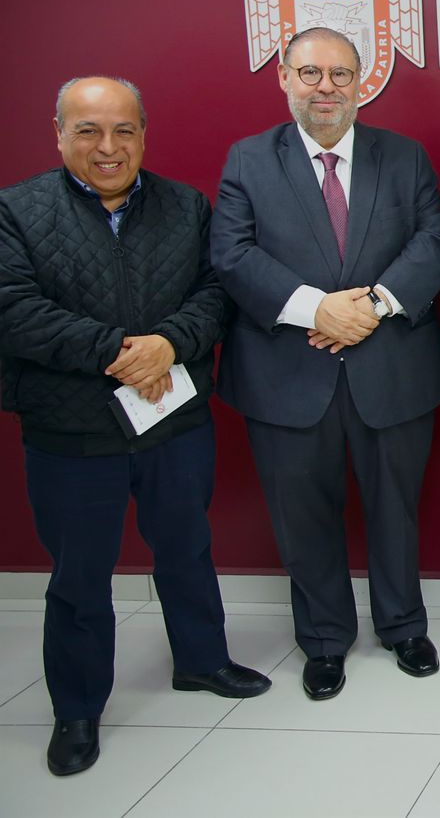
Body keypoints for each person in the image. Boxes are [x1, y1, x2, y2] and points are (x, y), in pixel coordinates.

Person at [0, 77, 270, 776]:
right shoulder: (16, 212)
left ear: (144, 133)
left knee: (186, 547)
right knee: (81, 575)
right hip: (71, 431)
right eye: (88, 130)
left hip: (173, 418)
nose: (108, 147)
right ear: (58, 133)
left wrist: (169, 345)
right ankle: (78, 710)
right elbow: (13, 309)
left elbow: (217, 294)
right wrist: (120, 352)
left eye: (123, 129)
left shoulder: (186, 206)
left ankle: (202, 662)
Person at [212, 28, 440, 701]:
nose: (326, 87)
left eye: (340, 74)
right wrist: (317, 309)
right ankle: (323, 641)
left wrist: (371, 306)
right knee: (303, 515)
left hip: (392, 367)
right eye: (311, 73)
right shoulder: (248, 160)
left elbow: (435, 243)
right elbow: (231, 255)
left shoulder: (403, 158)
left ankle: (404, 627)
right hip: (288, 375)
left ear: (362, 82)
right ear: (284, 78)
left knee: (395, 510)